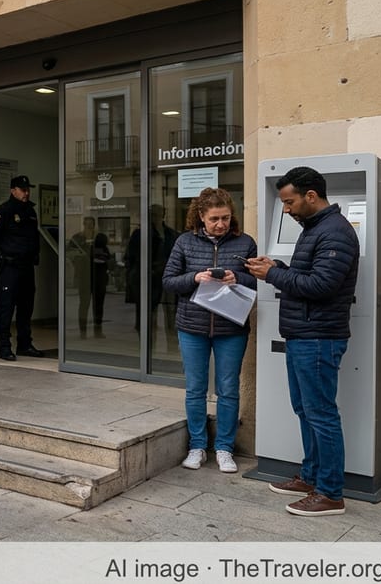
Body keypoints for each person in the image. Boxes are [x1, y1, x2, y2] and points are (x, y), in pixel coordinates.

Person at [247, 166, 358, 517]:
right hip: (303, 335)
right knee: (306, 410)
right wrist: (277, 266)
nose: (286, 209)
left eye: (290, 201)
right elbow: (309, 276)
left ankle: (330, 494)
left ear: (311, 196)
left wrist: (274, 274)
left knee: (322, 415)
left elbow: (322, 287)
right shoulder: (315, 229)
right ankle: (311, 477)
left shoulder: (335, 232)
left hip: (319, 338)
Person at [161, 188, 257, 474]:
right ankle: (198, 446)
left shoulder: (245, 243)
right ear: (200, 216)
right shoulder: (184, 242)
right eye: (214, 218)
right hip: (192, 326)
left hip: (232, 327)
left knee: (228, 389)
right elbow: (168, 281)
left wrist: (236, 276)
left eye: (226, 218)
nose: (221, 224)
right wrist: (195, 277)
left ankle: (225, 449)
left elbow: (256, 281)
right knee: (196, 389)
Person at [0, 175, 44, 361]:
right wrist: (2, 260)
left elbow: (33, 239)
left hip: (26, 267)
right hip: (10, 267)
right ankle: (4, 347)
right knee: (6, 307)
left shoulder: (31, 212)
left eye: (27, 189)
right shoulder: (3, 211)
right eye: (22, 189)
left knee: (26, 308)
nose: (26, 192)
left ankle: (25, 344)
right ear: (13, 190)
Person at [126, 204, 178, 344]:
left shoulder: (171, 234)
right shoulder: (141, 234)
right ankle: (148, 348)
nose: (156, 217)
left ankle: (171, 347)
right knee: (148, 317)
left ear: (163, 215)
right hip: (147, 279)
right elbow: (131, 258)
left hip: (168, 278)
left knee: (171, 314)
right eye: (153, 214)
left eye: (158, 214)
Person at [68, 216, 96, 338]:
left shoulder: (98, 238)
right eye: (87, 224)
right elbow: (70, 253)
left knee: (97, 303)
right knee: (84, 302)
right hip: (84, 275)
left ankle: (97, 330)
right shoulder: (77, 238)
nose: (89, 227)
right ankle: (83, 331)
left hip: (96, 274)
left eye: (91, 225)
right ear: (84, 225)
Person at [90, 233, 113, 338]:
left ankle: (97, 320)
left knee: (95, 302)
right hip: (100, 279)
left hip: (94, 279)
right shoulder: (104, 250)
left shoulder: (92, 249)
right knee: (99, 302)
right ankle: (98, 321)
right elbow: (108, 261)